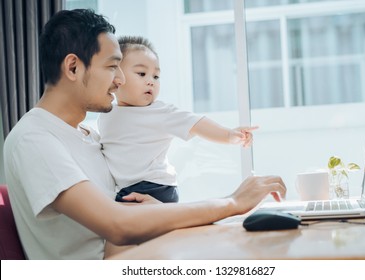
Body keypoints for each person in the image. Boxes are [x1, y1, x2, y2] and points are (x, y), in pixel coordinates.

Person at [3, 9, 286, 260]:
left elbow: (120, 211)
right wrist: (233, 203)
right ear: (74, 67)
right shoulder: (34, 138)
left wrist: (155, 211)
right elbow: (117, 225)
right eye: (113, 66)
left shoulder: (90, 135)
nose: (121, 79)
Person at [98, 36, 259, 203]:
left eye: (156, 76)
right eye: (142, 74)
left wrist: (229, 135)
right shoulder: (106, 111)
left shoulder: (160, 112)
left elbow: (197, 123)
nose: (151, 82)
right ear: (117, 77)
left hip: (154, 187)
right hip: (124, 187)